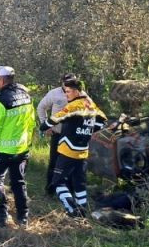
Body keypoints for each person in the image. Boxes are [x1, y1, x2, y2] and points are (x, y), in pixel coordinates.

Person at [45, 78, 107, 218]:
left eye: (68, 91)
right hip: (82, 152)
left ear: (76, 91)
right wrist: (89, 129)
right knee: (79, 183)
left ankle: (71, 209)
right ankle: (82, 212)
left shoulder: (73, 105)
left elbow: (56, 118)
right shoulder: (90, 103)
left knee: (58, 182)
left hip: (67, 151)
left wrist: (44, 126)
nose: (66, 94)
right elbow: (103, 120)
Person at [0, 66, 37, 227]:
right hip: (22, 149)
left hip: (3, 150)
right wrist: (28, 144)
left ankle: (1, 215)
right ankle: (23, 218)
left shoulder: (0, 102)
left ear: (1, 80)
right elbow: (31, 124)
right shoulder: (26, 97)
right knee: (19, 182)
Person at [36, 74, 77, 196]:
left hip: (74, 136)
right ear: (62, 82)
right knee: (54, 163)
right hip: (58, 134)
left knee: (72, 163)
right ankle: (50, 190)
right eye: (67, 82)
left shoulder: (80, 94)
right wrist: (45, 125)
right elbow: (41, 108)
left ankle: (71, 191)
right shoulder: (54, 93)